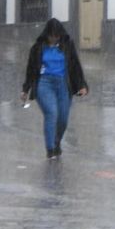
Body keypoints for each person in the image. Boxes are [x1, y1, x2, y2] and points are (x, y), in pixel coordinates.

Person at [21, 19, 88, 159]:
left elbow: (75, 66)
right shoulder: (38, 48)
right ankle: (50, 148)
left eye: (57, 35)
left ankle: (56, 142)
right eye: (51, 35)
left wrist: (82, 85)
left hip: (63, 84)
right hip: (44, 83)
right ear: (47, 34)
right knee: (51, 113)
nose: (54, 38)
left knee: (63, 118)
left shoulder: (67, 45)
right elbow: (31, 69)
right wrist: (25, 89)